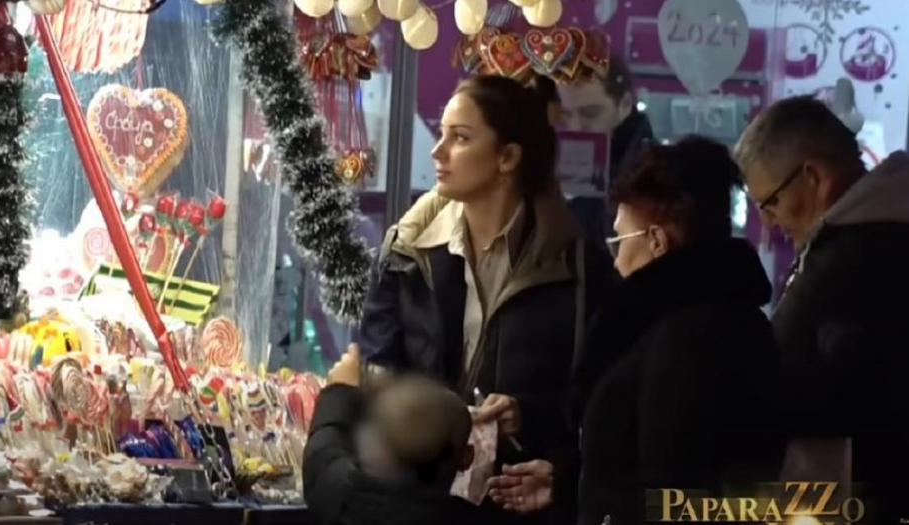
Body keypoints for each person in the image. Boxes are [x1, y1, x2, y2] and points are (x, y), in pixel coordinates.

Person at [358, 75, 616, 524]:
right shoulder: (407, 252)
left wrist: (525, 415)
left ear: (507, 157)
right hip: (418, 504)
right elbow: (378, 372)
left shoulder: (576, 268)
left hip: (517, 505)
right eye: (441, 133)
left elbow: (597, 407)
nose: (438, 152)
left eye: (460, 138)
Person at [497, 137, 785, 523]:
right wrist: (569, 484)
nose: (615, 260)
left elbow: (673, 493)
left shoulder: (680, 340)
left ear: (656, 241)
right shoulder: (721, 318)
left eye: (618, 241)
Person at [736, 95, 909, 522]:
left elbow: (860, 390)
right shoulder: (866, 238)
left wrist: (747, 382)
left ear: (812, 177)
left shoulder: (860, 259)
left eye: (770, 203)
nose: (770, 223)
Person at [304, 346, 498, 525]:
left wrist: (340, 388)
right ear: (468, 457)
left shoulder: (349, 501)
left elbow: (321, 456)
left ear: (379, 452)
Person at [561, 56, 655, 245]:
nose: (576, 126)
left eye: (591, 113)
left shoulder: (652, 170)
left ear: (625, 104)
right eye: (566, 114)